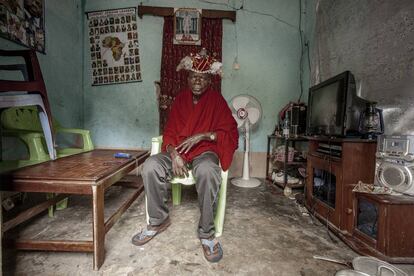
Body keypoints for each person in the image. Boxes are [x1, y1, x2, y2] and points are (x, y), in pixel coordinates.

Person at [132, 49, 238, 263]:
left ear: (209, 80)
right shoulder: (180, 100)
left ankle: (207, 234)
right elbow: (169, 132)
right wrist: (173, 154)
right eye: (193, 76)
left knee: (208, 171)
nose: (197, 81)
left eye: (202, 77)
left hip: (204, 152)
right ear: (188, 78)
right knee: (151, 165)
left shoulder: (217, 101)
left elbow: (231, 131)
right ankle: (158, 220)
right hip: (179, 152)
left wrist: (203, 135)